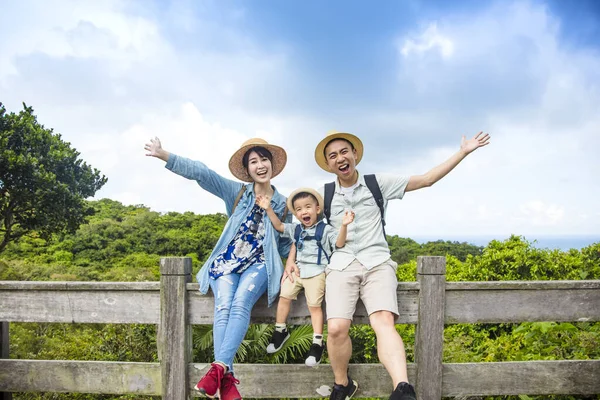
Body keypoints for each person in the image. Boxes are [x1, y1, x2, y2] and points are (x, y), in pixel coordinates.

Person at [290, 130, 490, 400]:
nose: (340, 158)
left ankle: (402, 388)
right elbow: (302, 227)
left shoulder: (378, 183)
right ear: (328, 164)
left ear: (355, 155)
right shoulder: (324, 196)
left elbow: (427, 179)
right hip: (341, 266)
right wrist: (291, 262)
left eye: (344, 152)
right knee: (336, 327)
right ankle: (342, 384)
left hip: (377, 262)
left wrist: (463, 152)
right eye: (333, 155)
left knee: (383, 322)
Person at [145, 137, 292, 400]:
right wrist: (164, 155)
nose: (260, 165)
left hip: (259, 265)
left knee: (240, 303)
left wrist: (298, 262)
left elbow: (287, 243)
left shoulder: (283, 204)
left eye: (264, 159)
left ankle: (217, 372)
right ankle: (225, 380)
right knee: (223, 306)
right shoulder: (236, 192)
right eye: (253, 161)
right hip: (226, 262)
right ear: (247, 170)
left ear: (272, 164)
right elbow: (203, 173)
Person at [256, 188, 355, 366]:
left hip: (317, 272)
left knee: (314, 306)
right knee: (284, 296)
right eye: (299, 209)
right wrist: (268, 208)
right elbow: (279, 226)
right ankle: (281, 331)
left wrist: (344, 225)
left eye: (308, 207)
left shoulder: (325, 230)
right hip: (298, 271)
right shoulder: (296, 229)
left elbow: (339, 243)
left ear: (317, 209)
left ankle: (317, 341)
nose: (304, 212)